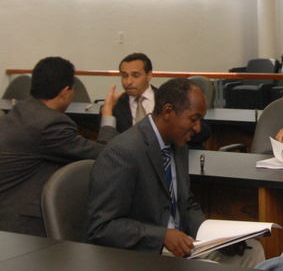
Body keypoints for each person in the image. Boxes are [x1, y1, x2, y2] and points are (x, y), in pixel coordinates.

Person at [86, 78, 264, 266]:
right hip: (142, 251)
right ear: (168, 112)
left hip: (181, 244)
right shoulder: (122, 152)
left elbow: (185, 204)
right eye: (193, 119)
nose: (198, 128)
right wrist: (162, 236)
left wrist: (213, 236)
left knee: (252, 252)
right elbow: (101, 227)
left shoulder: (178, 145)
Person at [0, 56, 122, 236]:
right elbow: (104, 154)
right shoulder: (50, 124)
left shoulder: (20, 110)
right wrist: (108, 113)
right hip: (25, 229)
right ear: (65, 92)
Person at [110, 53, 210, 147]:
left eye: (135, 75)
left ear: (149, 75)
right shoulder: (114, 106)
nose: (128, 82)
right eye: (124, 76)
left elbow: (203, 132)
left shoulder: (170, 97)